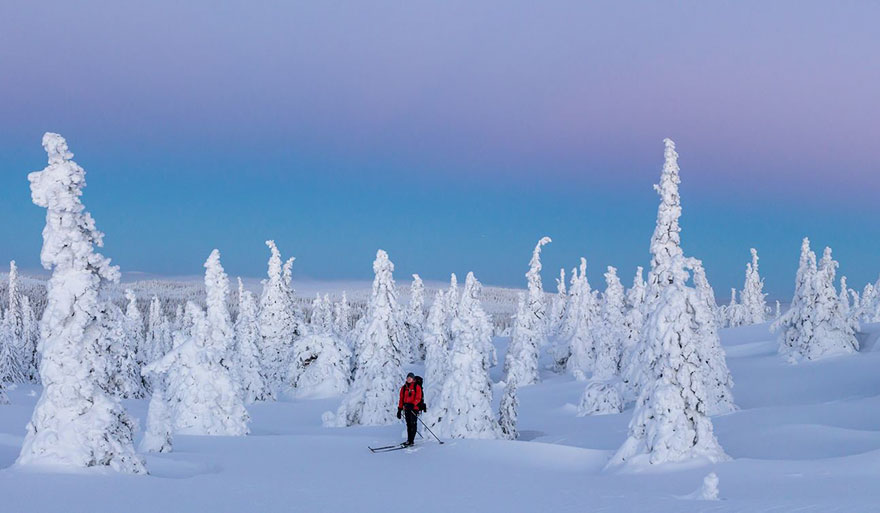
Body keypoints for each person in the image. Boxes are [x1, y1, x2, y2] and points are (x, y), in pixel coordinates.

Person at [397, 372, 424, 446]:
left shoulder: (416, 387)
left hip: (414, 408)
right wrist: (399, 409)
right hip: (406, 409)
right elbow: (401, 399)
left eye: (410, 378)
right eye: (408, 378)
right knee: (408, 424)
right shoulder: (404, 387)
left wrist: (413, 404)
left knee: (413, 424)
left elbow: (418, 398)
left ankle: (411, 441)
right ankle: (409, 440)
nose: (409, 379)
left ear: (413, 379)